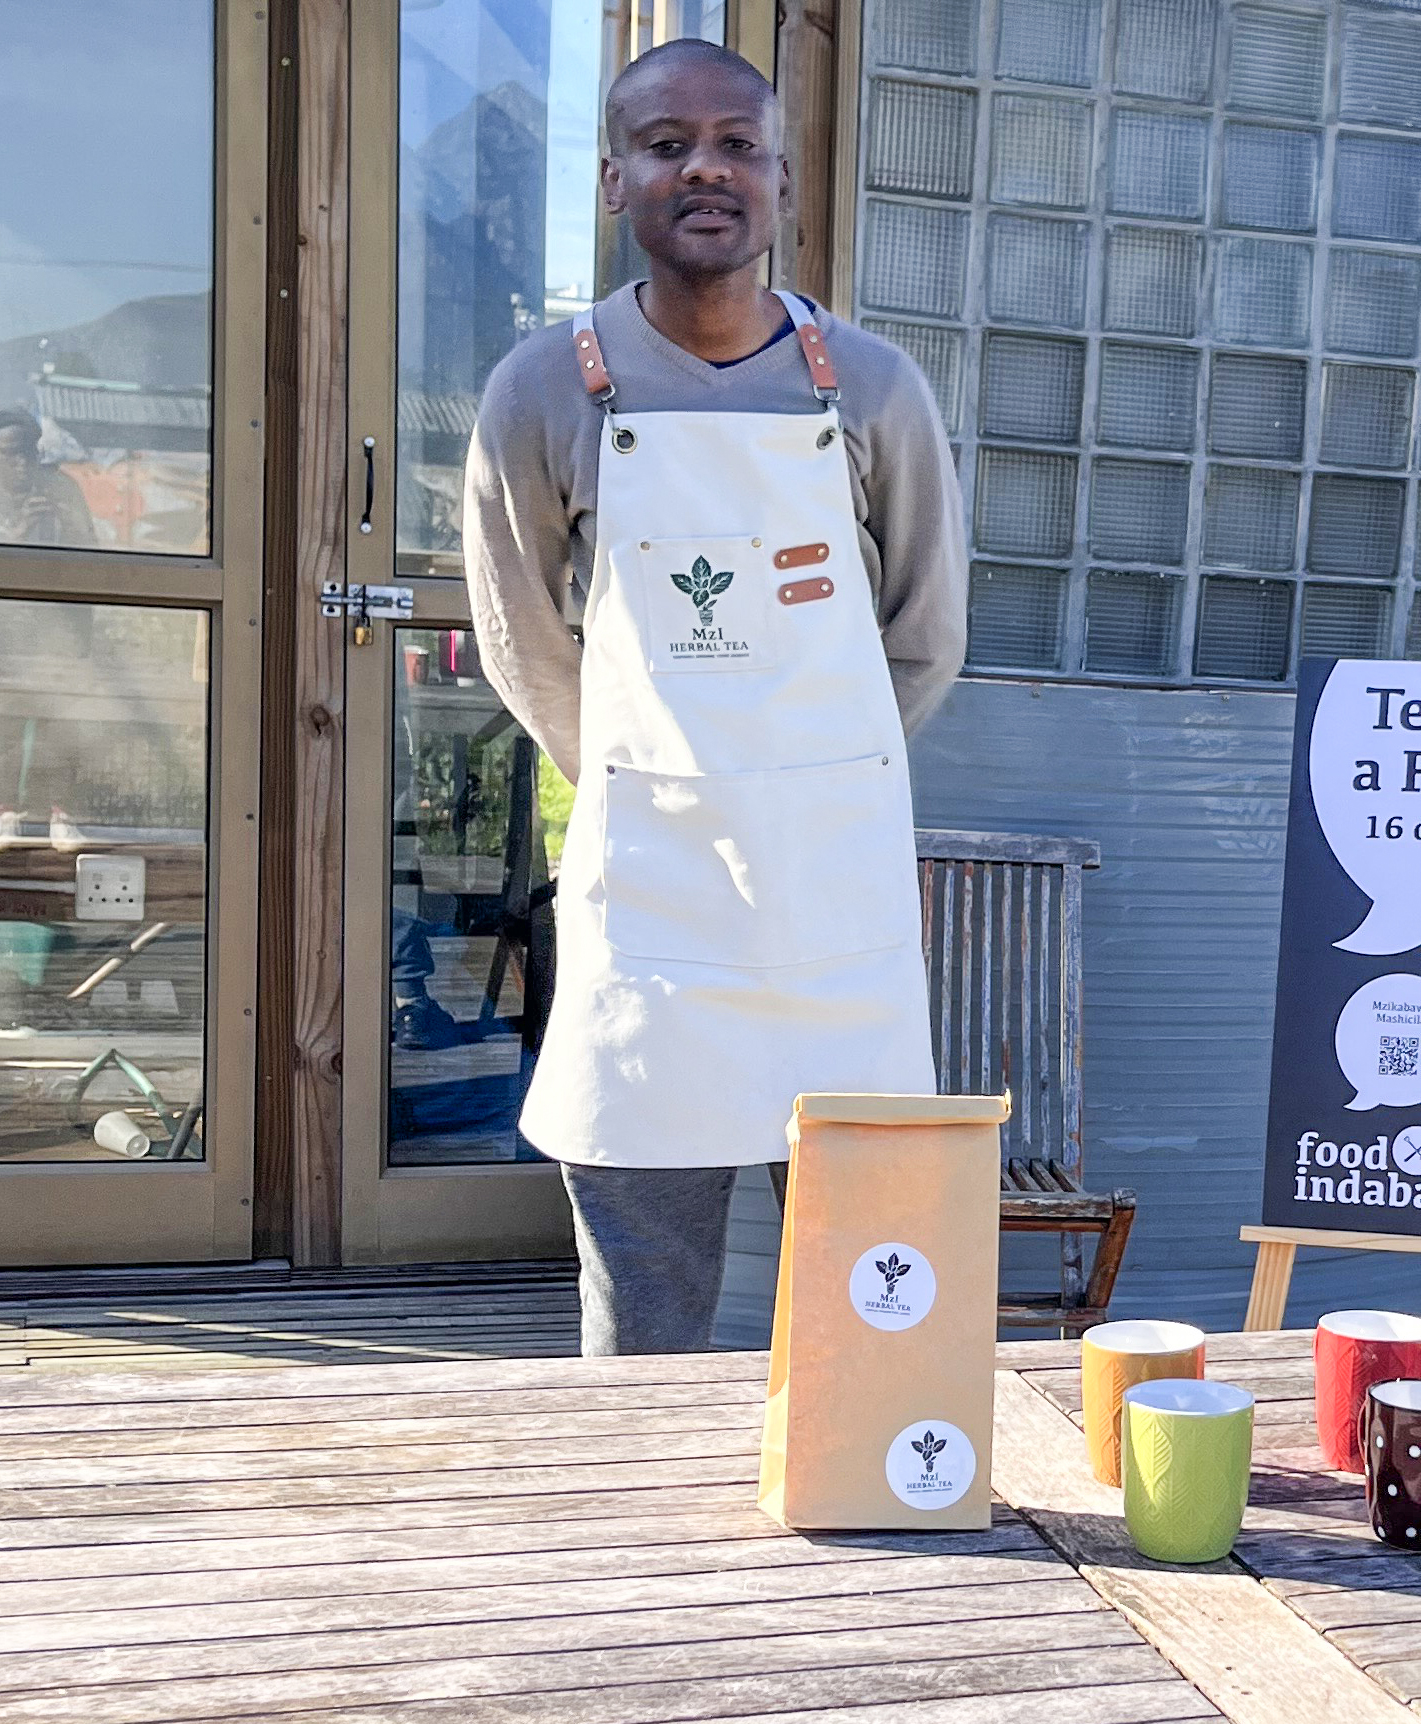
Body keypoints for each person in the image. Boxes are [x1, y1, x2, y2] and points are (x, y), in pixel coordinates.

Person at [463, 39, 968, 1355]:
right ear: (616, 177)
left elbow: (926, 635)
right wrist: (650, 775)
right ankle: (638, 1536)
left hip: (831, 896)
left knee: (871, 1285)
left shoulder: (869, 389)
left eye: (736, 143)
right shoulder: (540, 392)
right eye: (668, 141)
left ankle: (862, 1523)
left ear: (783, 177)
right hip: (654, 893)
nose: (705, 167)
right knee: (646, 1298)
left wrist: (805, 776)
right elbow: (521, 636)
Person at [0, 408, 97, 548]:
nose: (22, 461)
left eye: (29, 451)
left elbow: (89, 550)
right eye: (10, 452)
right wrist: (21, 531)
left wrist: (66, 523)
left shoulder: (61, 487)